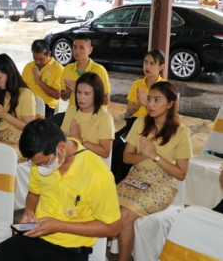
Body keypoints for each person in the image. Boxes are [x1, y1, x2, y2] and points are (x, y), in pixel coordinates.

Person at [0, 119, 121, 261]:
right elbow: (34, 194)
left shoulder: (97, 175)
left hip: (68, 251)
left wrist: (60, 226)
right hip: (34, 236)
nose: (39, 168)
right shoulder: (41, 161)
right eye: (35, 164)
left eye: (43, 163)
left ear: (60, 148)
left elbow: (112, 228)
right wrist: (29, 211)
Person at [116, 81, 192, 261]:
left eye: (157, 100)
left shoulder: (181, 132)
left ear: (170, 104)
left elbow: (181, 173)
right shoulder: (141, 122)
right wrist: (145, 154)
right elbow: (127, 157)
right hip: (136, 176)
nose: (150, 104)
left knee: (125, 215)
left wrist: (155, 156)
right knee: (107, 206)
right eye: (149, 99)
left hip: (162, 184)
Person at [111, 49, 166, 183]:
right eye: (145, 62)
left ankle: (121, 180)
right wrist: (139, 105)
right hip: (134, 125)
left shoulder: (165, 87)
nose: (147, 66)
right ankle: (111, 179)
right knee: (114, 143)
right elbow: (129, 112)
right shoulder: (137, 84)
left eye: (152, 63)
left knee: (125, 150)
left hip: (153, 127)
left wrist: (147, 104)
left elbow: (165, 116)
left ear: (161, 67)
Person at [52, 33, 111, 127]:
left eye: (81, 47)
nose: (77, 51)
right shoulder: (67, 69)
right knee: (49, 125)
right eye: (74, 47)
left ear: (90, 50)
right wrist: (68, 91)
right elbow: (64, 97)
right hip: (73, 113)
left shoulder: (99, 70)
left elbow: (105, 100)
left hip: (93, 116)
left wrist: (78, 90)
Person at [61, 72, 114, 159]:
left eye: (87, 94)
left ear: (96, 95)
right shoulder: (71, 110)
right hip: (69, 160)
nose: (81, 97)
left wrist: (80, 140)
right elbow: (62, 138)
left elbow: (105, 152)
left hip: (90, 163)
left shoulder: (104, 117)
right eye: (78, 92)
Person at [22, 39, 63, 118]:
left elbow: (57, 95)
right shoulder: (29, 66)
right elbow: (21, 87)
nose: (37, 62)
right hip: (29, 104)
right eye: (35, 58)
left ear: (49, 54)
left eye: (41, 59)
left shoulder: (58, 69)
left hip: (47, 107)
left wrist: (39, 82)